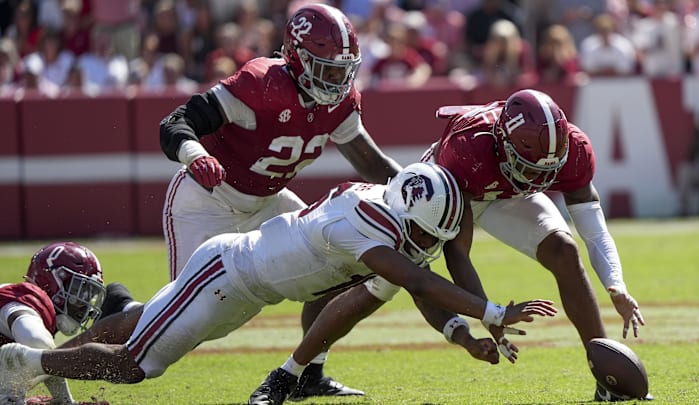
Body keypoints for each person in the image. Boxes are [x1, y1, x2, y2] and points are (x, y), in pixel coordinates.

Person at [0, 163, 558, 405]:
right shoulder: (362, 222)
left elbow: (413, 289)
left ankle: (38, 372)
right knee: (134, 366)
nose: (423, 240)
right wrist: (494, 312)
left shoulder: (392, 215)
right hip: (226, 275)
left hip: (244, 287)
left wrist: (465, 333)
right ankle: (26, 365)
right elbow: (418, 278)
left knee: (143, 331)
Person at [250, 89, 650, 403]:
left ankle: (606, 373)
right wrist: (489, 318)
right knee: (377, 282)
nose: (537, 177)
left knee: (565, 250)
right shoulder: (468, 149)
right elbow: (457, 255)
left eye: (546, 170)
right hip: (455, 194)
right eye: (529, 167)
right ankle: (303, 369)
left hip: (501, 191)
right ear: (504, 145)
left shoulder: (570, 148)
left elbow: (591, 226)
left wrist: (616, 284)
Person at [97, 3, 404, 400]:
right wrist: (196, 155)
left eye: (343, 69)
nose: (336, 79)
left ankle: (310, 373)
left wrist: (413, 187)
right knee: (183, 325)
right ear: (296, 57)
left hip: (268, 202)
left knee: (336, 259)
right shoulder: (260, 83)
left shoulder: (339, 100)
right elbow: (175, 122)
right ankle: (114, 315)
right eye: (326, 68)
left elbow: (369, 160)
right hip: (208, 199)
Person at [0, 242, 106, 405]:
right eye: (81, 290)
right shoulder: (26, 301)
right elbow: (36, 342)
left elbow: (46, 359)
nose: (86, 304)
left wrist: (65, 401)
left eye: (90, 294)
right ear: (51, 283)